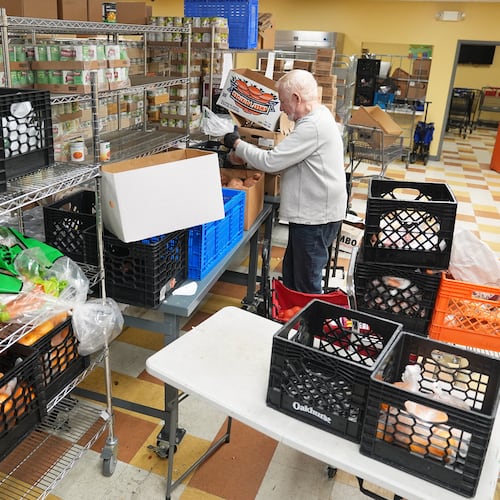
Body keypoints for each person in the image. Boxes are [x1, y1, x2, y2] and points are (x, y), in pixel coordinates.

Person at [223, 69, 347, 294]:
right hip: (316, 214)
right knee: (293, 275)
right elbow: (288, 158)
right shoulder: (319, 116)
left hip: (316, 218)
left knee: (306, 283)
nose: (280, 108)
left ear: (296, 99)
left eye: (282, 101)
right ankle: (292, 320)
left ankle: (308, 325)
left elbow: (271, 162)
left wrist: (237, 144)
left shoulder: (313, 127)